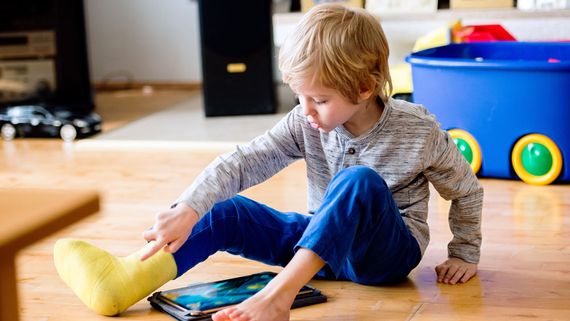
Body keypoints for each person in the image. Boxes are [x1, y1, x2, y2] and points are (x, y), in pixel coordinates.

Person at [53, 4, 483, 321]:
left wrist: (463, 252)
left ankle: (280, 295)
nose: (306, 111)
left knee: (359, 182)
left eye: (319, 99)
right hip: (318, 247)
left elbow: (466, 188)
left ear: (367, 86)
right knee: (227, 211)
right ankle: (126, 278)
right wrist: (188, 207)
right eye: (300, 97)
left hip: (384, 259)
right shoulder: (305, 121)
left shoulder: (418, 129)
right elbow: (245, 161)